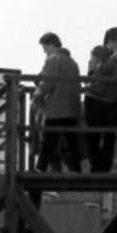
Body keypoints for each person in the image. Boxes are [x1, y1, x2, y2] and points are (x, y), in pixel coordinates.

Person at [84, 27, 117, 173]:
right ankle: (95, 166)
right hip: (95, 98)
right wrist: (114, 57)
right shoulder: (97, 52)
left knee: (109, 135)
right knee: (93, 135)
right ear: (110, 41)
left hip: (112, 100)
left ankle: (105, 168)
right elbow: (101, 72)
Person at [31, 33, 83, 172]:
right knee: (71, 140)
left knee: (48, 139)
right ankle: (76, 170)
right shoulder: (73, 62)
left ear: (51, 44)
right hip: (71, 107)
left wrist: (36, 98)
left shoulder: (53, 59)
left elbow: (47, 82)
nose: (44, 51)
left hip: (56, 107)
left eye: (44, 47)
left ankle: (40, 167)